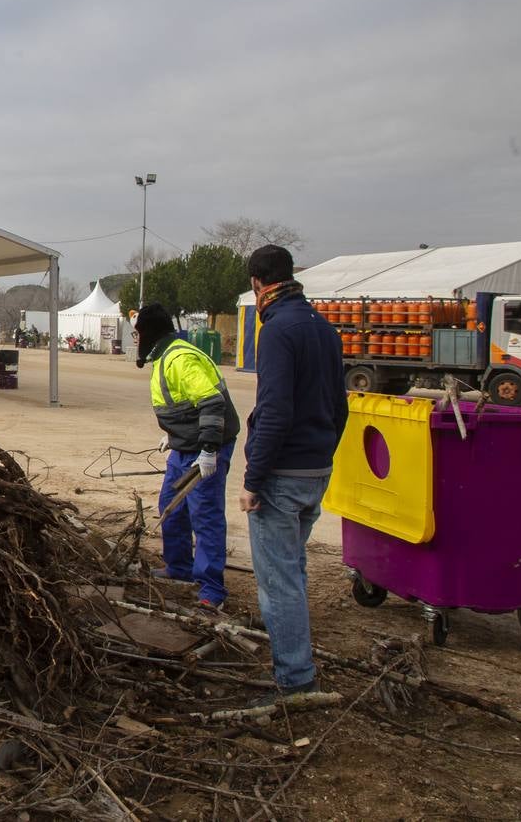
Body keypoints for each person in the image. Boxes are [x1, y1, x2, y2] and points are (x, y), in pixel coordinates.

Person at [240, 244, 348, 702]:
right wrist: (323, 454)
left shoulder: (279, 331)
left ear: (257, 284)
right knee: (294, 568)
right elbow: (340, 407)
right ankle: (296, 656)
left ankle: (295, 678)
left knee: (278, 582)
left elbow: (275, 411)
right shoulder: (324, 328)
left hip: (282, 475)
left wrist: (253, 479)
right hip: (316, 468)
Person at [134, 305, 241, 614]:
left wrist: (208, 450)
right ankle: (179, 566)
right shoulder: (164, 356)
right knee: (172, 502)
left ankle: (211, 588)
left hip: (208, 445)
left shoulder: (180, 359)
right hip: (186, 444)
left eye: (138, 332)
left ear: (149, 333)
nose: (136, 338)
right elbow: (182, 401)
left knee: (204, 513)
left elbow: (211, 402)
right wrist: (174, 434)